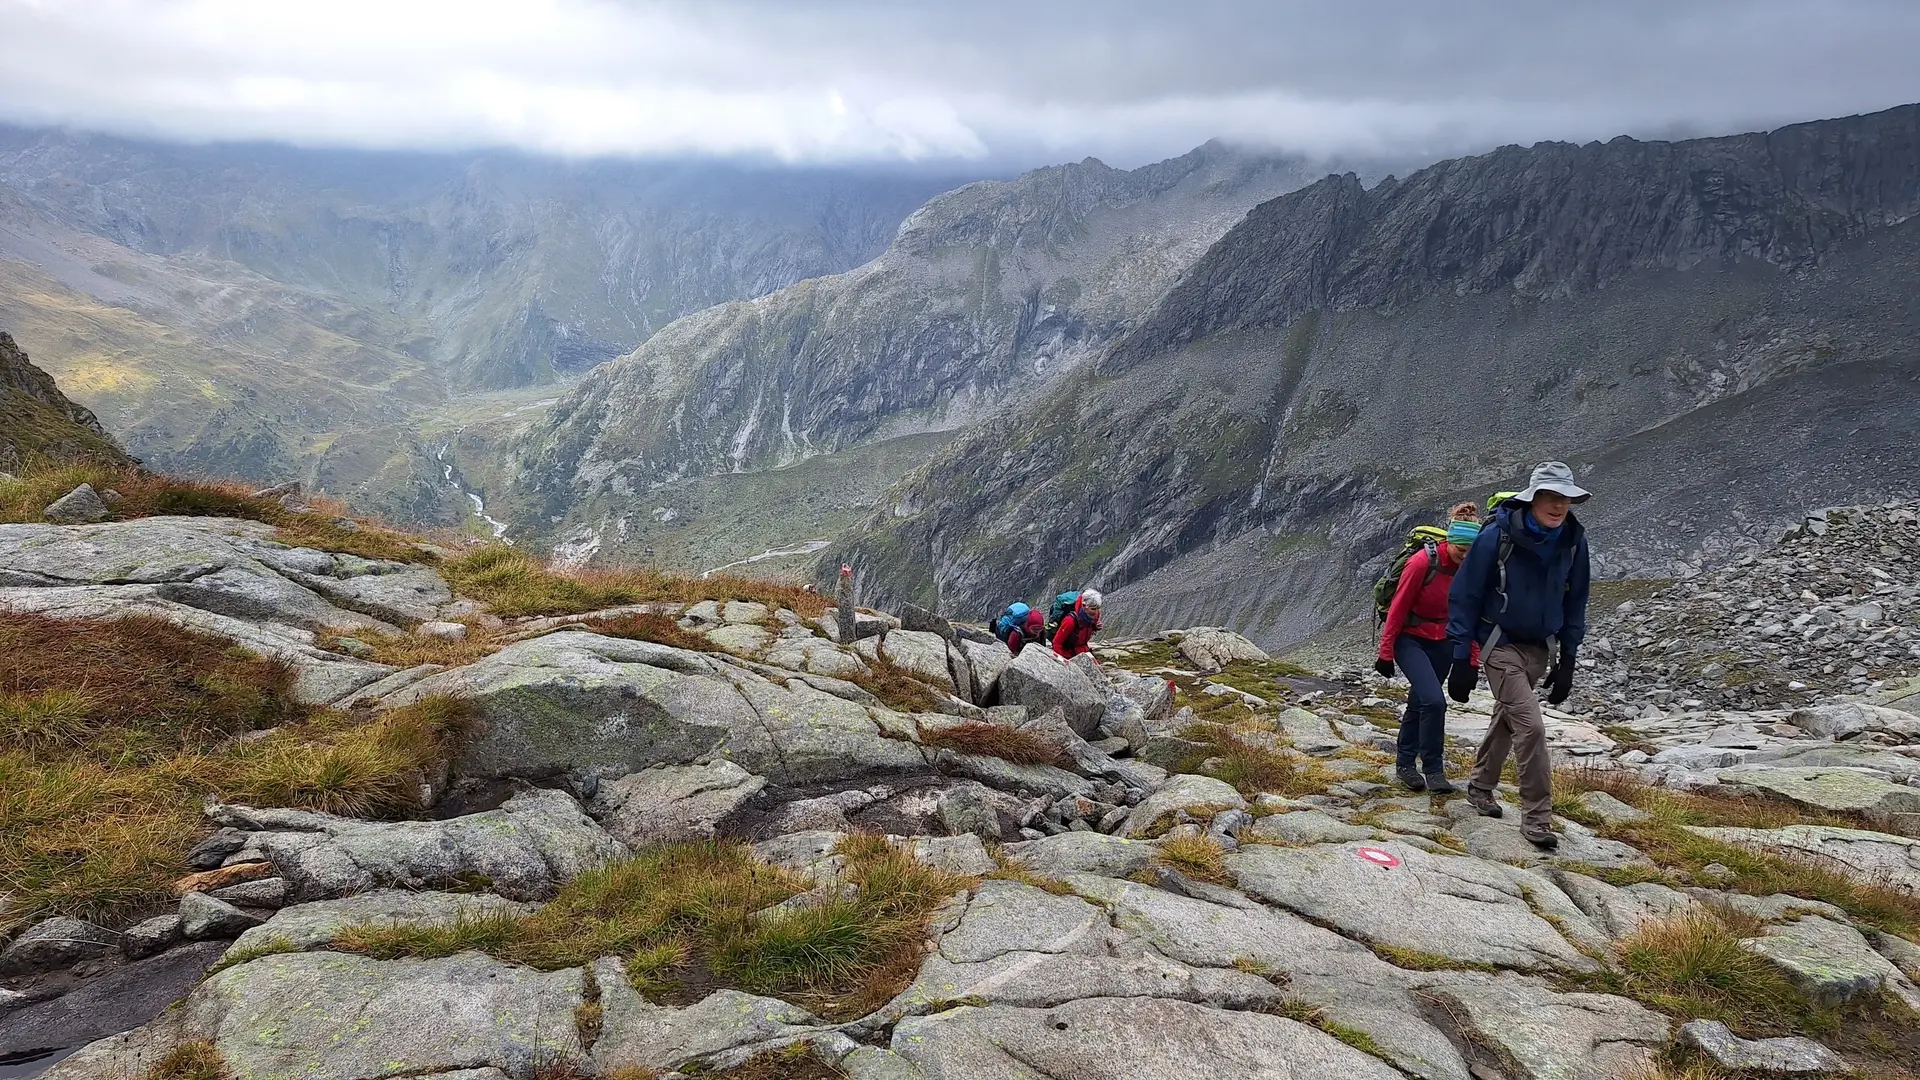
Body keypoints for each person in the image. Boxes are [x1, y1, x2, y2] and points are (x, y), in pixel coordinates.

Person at [1445, 462, 1592, 849]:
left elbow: (1576, 600)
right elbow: (1465, 595)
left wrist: (1568, 661)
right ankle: (1537, 818)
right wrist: (1463, 657)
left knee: (1509, 719)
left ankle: (1479, 786)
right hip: (1499, 643)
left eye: (1566, 499)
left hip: (1540, 648)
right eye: (1551, 497)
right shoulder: (1497, 536)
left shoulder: (1574, 541)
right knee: (1532, 726)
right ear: (1532, 499)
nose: (1559, 506)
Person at [1376, 515, 1481, 792]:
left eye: (1472, 551)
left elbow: (1472, 616)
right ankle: (1434, 769)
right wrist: (1385, 651)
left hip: (1444, 641)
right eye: (1461, 549)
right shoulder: (1422, 562)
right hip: (1410, 639)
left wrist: (1471, 661)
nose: (1466, 556)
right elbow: (1397, 608)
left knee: (1420, 701)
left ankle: (1405, 764)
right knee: (1434, 702)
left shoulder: (1472, 569)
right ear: (1451, 542)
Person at [1051, 588, 1103, 659]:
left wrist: (1095, 627)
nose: (1096, 612)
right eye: (1093, 609)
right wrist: (1061, 660)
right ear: (1084, 606)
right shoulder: (1070, 621)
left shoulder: (1094, 616)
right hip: (1067, 654)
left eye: (1098, 608)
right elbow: (1056, 643)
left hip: (1083, 650)